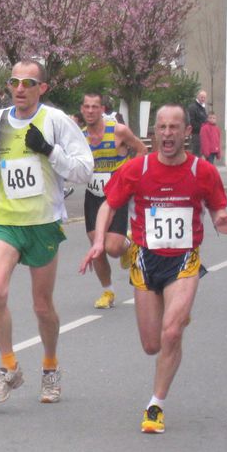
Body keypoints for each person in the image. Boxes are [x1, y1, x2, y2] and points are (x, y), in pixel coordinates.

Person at [79, 104, 227, 434]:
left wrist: (222, 220)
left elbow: (216, 209)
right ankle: (175, 318)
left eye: (173, 128)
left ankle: (156, 405)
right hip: (145, 261)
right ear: (154, 133)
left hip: (183, 261)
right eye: (161, 128)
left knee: (171, 333)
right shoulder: (138, 168)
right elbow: (110, 203)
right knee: (152, 344)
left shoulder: (202, 172)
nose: (167, 134)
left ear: (186, 133)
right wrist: (97, 243)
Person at [0, 61, 93, 404]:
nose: (19, 88)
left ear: (42, 88)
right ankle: (8, 366)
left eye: (28, 83)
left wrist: (48, 150)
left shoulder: (56, 121)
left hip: (43, 221)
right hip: (5, 220)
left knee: (42, 307)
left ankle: (50, 367)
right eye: (14, 82)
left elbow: (84, 170)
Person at [79, 91, 146, 309]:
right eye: (86, 107)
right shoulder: (80, 137)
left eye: (94, 107)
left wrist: (129, 175)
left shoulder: (118, 131)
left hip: (117, 193)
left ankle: (127, 244)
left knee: (113, 248)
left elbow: (142, 150)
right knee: (96, 246)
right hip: (93, 194)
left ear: (102, 109)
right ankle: (107, 292)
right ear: (82, 110)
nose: (90, 111)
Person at [186, 90, 207, 155]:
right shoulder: (193, 107)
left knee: (200, 155)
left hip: (201, 134)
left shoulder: (202, 107)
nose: (203, 99)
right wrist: (202, 128)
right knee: (196, 155)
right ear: (197, 96)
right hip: (195, 135)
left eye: (204, 97)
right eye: (201, 97)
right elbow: (191, 122)